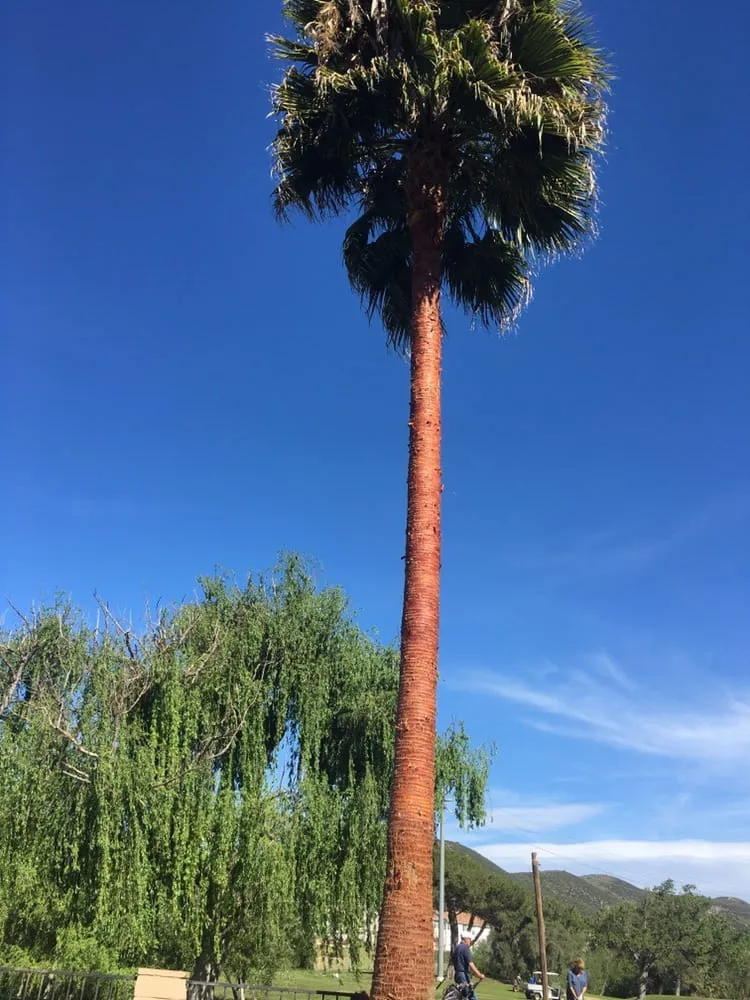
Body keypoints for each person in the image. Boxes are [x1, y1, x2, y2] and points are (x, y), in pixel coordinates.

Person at [452, 930, 485, 998]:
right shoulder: (465, 948)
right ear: (465, 939)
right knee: (471, 995)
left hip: (457, 974)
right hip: (463, 975)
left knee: (463, 995)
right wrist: (479, 975)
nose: (470, 941)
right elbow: (471, 964)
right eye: (469, 939)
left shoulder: (457, 948)